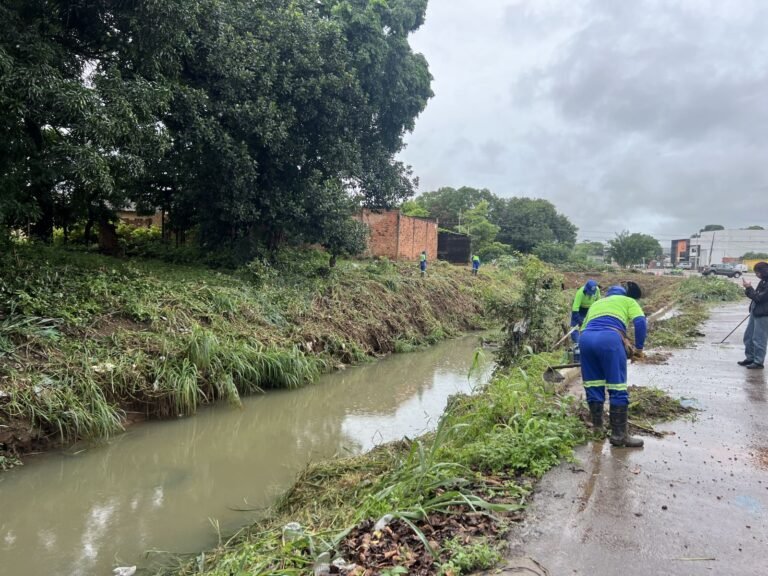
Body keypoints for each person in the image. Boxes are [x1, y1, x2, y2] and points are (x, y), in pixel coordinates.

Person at [580, 284, 647, 448]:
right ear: (624, 294)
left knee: (593, 384)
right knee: (617, 386)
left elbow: (582, 329)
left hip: (586, 339)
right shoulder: (628, 301)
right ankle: (619, 435)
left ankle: (597, 429)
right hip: (610, 339)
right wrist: (638, 348)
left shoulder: (597, 303)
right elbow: (640, 322)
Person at [738, 261, 768, 370]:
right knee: (749, 336)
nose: (756, 275)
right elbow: (756, 296)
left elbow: (759, 298)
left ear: (763, 272)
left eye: (757, 272)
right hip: (756, 311)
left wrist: (749, 288)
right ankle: (750, 358)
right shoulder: (763, 281)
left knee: (759, 338)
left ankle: (758, 362)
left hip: (764, 314)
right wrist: (749, 289)